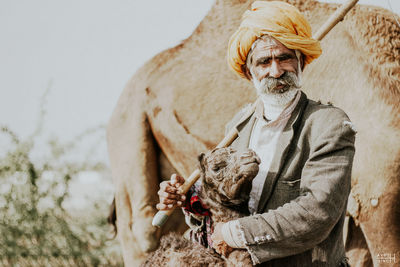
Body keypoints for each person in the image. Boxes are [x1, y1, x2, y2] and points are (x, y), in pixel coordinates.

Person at [156, 1, 356, 266]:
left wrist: (234, 233)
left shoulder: (328, 124)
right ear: (250, 72)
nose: (276, 71)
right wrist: (189, 198)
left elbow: (318, 212)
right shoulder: (238, 127)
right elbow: (227, 204)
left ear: (300, 63)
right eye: (264, 61)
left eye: (285, 58)